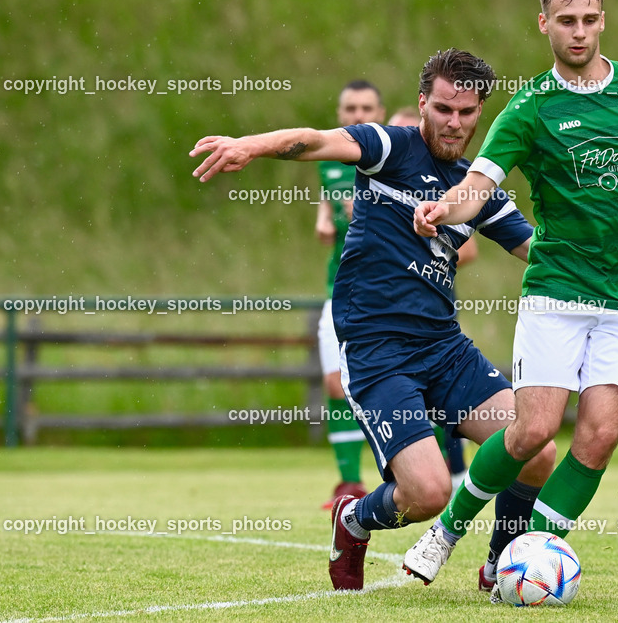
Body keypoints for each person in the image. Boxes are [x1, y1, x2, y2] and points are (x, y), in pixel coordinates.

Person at [189, 48, 556, 592]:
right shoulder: (390, 147)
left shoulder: (478, 189)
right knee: (429, 496)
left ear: (481, 113)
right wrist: (250, 145)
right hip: (378, 350)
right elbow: (315, 140)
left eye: (467, 112)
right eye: (443, 109)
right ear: (422, 104)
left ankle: (499, 563)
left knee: (537, 448)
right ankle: (354, 519)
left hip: (444, 347)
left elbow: (547, 255)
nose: (454, 122)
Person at [405, 0, 618, 596]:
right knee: (533, 430)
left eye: (590, 19)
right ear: (543, 23)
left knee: (598, 434)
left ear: (604, 20)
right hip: (557, 293)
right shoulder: (529, 110)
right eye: (566, 20)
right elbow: (480, 185)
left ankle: (529, 557)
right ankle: (447, 531)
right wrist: (443, 209)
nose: (579, 31)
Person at [390, 105, 476, 496]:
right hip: (382, 331)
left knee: (446, 402)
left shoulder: (459, 190)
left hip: (438, 318)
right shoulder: (375, 178)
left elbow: (470, 250)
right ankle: (407, 479)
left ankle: (458, 474)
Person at [316, 80, 386, 509]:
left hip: (386, 294)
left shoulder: (394, 159)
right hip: (339, 288)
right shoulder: (328, 161)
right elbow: (328, 207)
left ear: (379, 112)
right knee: (334, 384)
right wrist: (325, 216)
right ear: (339, 114)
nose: (358, 115)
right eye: (349, 108)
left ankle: (429, 471)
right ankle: (349, 483)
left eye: (366, 107)